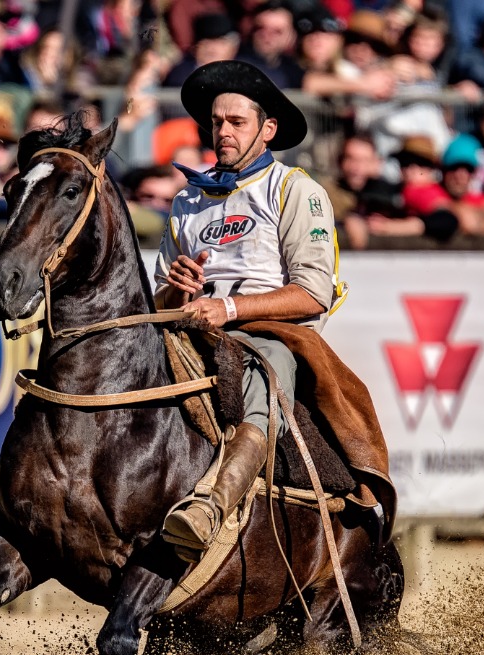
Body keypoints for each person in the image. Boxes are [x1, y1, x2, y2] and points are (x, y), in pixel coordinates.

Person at [153, 59, 340, 560]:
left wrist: (229, 308)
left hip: (271, 336)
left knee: (263, 382)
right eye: (216, 122)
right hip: (188, 330)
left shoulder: (297, 190)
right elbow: (159, 301)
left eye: (236, 122)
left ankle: (210, 508)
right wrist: (175, 290)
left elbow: (314, 293)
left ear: (268, 129)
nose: (223, 132)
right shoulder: (186, 200)